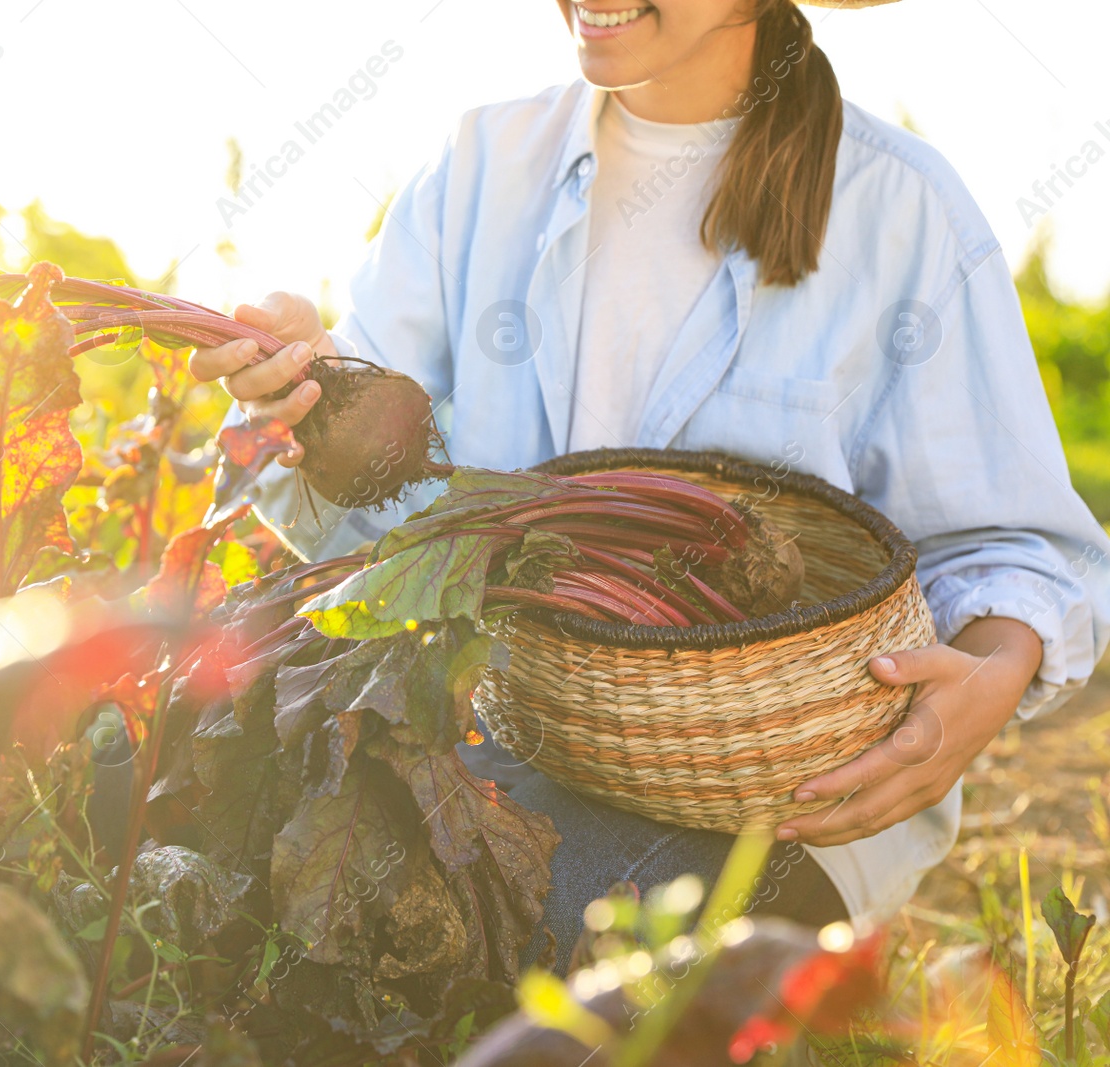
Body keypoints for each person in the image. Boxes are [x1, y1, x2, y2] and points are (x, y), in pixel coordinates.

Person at [190, 0, 1110, 968]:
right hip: (528, 744)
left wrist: (990, 679)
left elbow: (1018, 548)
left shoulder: (900, 209)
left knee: (533, 948)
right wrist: (304, 398)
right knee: (248, 873)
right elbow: (376, 523)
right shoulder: (481, 165)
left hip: (786, 804)